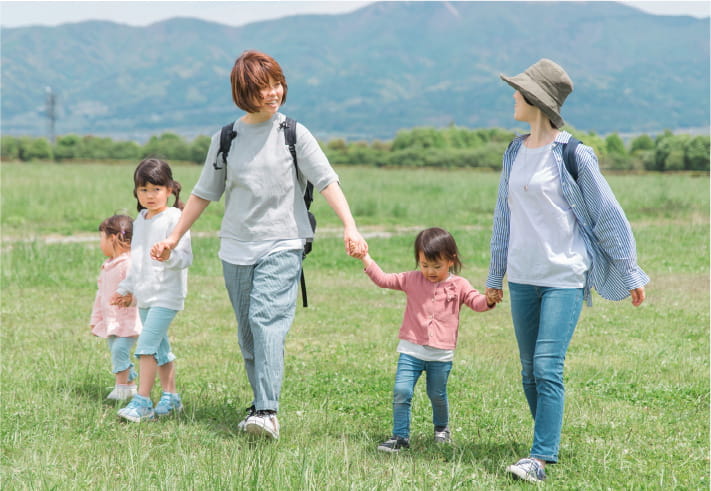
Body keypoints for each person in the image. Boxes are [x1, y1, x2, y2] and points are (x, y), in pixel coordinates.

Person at [150, 50, 368, 440]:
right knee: (248, 333)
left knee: (266, 320)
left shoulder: (293, 133)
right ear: (244, 92)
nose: (274, 92)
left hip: (283, 243)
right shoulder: (227, 138)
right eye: (263, 87)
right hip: (235, 247)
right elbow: (202, 193)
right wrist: (173, 236)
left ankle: (267, 410)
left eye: (277, 83)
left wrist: (349, 227)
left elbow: (326, 181)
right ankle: (259, 405)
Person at [486, 59, 649, 483]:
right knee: (527, 369)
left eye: (519, 91)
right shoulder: (514, 151)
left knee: (546, 366)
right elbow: (504, 218)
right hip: (523, 276)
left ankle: (539, 458)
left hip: (564, 276)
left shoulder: (575, 154)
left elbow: (607, 215)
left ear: (536, 100)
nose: (513, 96)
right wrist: (494, 275)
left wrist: (630, 271)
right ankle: (546, 439)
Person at [353, 227, 498, 452]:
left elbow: (476, 302)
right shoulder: (411, 279)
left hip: (441, 354)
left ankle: (441, 429)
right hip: (411, 350)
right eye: (424, 265)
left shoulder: (459, 284)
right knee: (402, 391)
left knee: (437, 394)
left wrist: (488, 300)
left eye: (436, 266)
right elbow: (383, 279)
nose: (429, 271)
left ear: (451, 260)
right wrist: (364, 256)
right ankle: (400, 437)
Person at [112, 158, 193, 422]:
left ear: (170, 190)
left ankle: (143, 402)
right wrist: (127, 289)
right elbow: (136, 261)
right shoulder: (142, 219)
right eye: (143, 189)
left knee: (145, 348)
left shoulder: (176, 217)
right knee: (160, 348)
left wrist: (168, 254)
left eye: (156, 189)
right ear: (136, 192)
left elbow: (185, 258)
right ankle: (171, 397)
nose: (150, 195)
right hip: (145, 296)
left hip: (167, 296)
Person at [90, 214, 142, 401]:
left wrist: (131, 297)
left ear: (113, 239)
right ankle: (129, 386)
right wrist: (96, 320)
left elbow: (139, 286)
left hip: (128, 320)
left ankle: (121, 388)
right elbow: (101, 295)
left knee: (119, 350)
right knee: (116, 350)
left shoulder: (128, 264)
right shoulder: (109, 265)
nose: (100, 244)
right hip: (112, 321)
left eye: (101, 239)